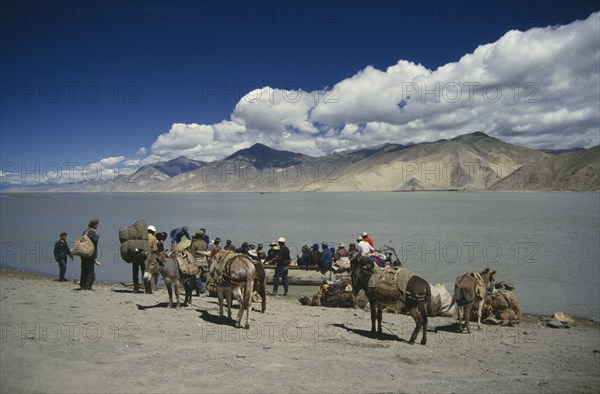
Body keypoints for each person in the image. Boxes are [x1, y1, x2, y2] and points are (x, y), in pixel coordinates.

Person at [80, 218, 99, 290]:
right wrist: (96, 234)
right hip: (89, 253)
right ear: (94, 225)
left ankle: (82, 284)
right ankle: (87, 285)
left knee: (84, 269)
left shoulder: (85, 231)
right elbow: (95, 240)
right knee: (90, 270)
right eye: (97, 224)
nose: (97, 226)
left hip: (83, 252)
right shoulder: (91, 232)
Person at [190, 229, 209, 296]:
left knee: (196, 276)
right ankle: (197, 291)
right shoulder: (205, 243)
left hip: (197, 261)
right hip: (204, 261)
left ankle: (202, 290)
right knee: (201, 276)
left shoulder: (194, 244)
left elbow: (192, 254)